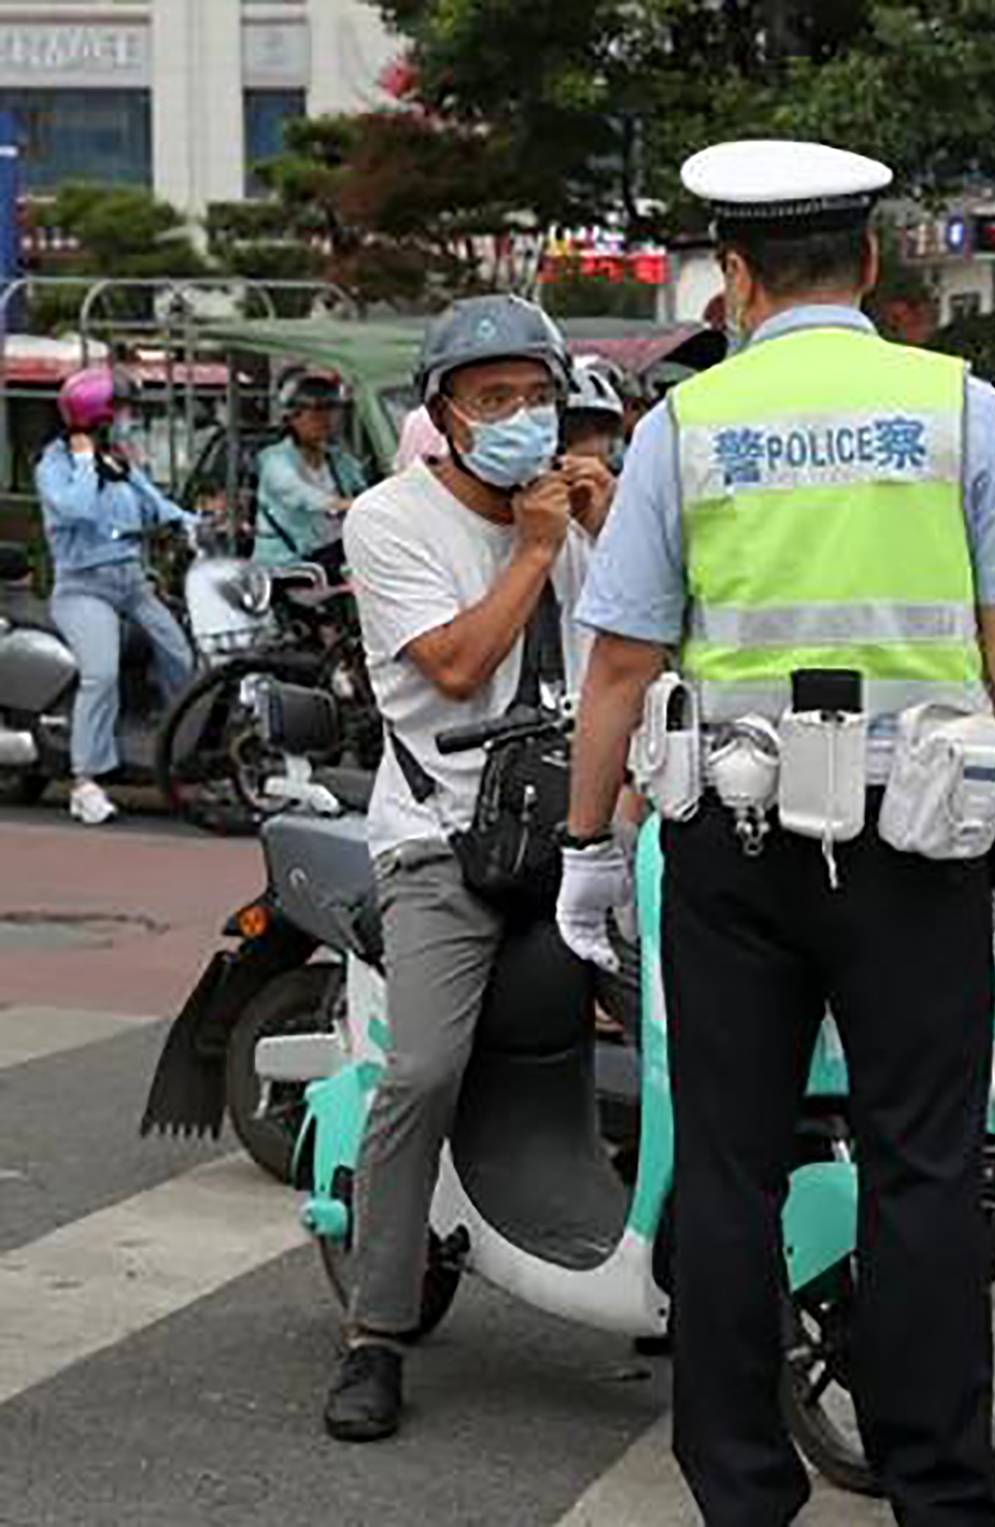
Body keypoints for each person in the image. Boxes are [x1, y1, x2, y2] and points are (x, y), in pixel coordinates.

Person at [556, 138, 995, 1526]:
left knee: (726, 1166)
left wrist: (590, 847)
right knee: (924, 1167)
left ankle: (740, 1489)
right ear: (877, 264)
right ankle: (944, 1490)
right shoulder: (960, 409)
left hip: (735, 840)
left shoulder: (687, 426)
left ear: (733, 277)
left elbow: (618, 663)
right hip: (922, 843)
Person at [324, 294, 616, 1443]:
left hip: (577, 835)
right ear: (442, 413)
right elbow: (453, 666)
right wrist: (539, 552)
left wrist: (616, 532)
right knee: (427, 1069)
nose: (522, 420)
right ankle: (375, 1334)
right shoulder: (388, 522)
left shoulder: (582, 523)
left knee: (704, 1017)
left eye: (538, 397)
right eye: (494, 400)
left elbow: (626, 673)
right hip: (442, 843)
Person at [34, 367, 197, 826]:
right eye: (120, 411)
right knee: (100, 674)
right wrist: (85, 461)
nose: (127, 419)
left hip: (132, 582)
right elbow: (76, 508)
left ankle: (172, 754)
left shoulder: (118, 459)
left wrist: (191, 522)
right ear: (96, 416)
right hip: (82, 588)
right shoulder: (57, 465)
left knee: (180, 656)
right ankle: (85, 781)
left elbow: (154, 503)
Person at [254, 368, 370, 567]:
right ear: (293, 416)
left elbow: (364, 488)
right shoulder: (274, 460)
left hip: (332, 554)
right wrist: (344, 505)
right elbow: (304, 496)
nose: (325, 419)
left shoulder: (339, 459)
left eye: (330, 410)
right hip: (286, 565)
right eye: (315, 412)